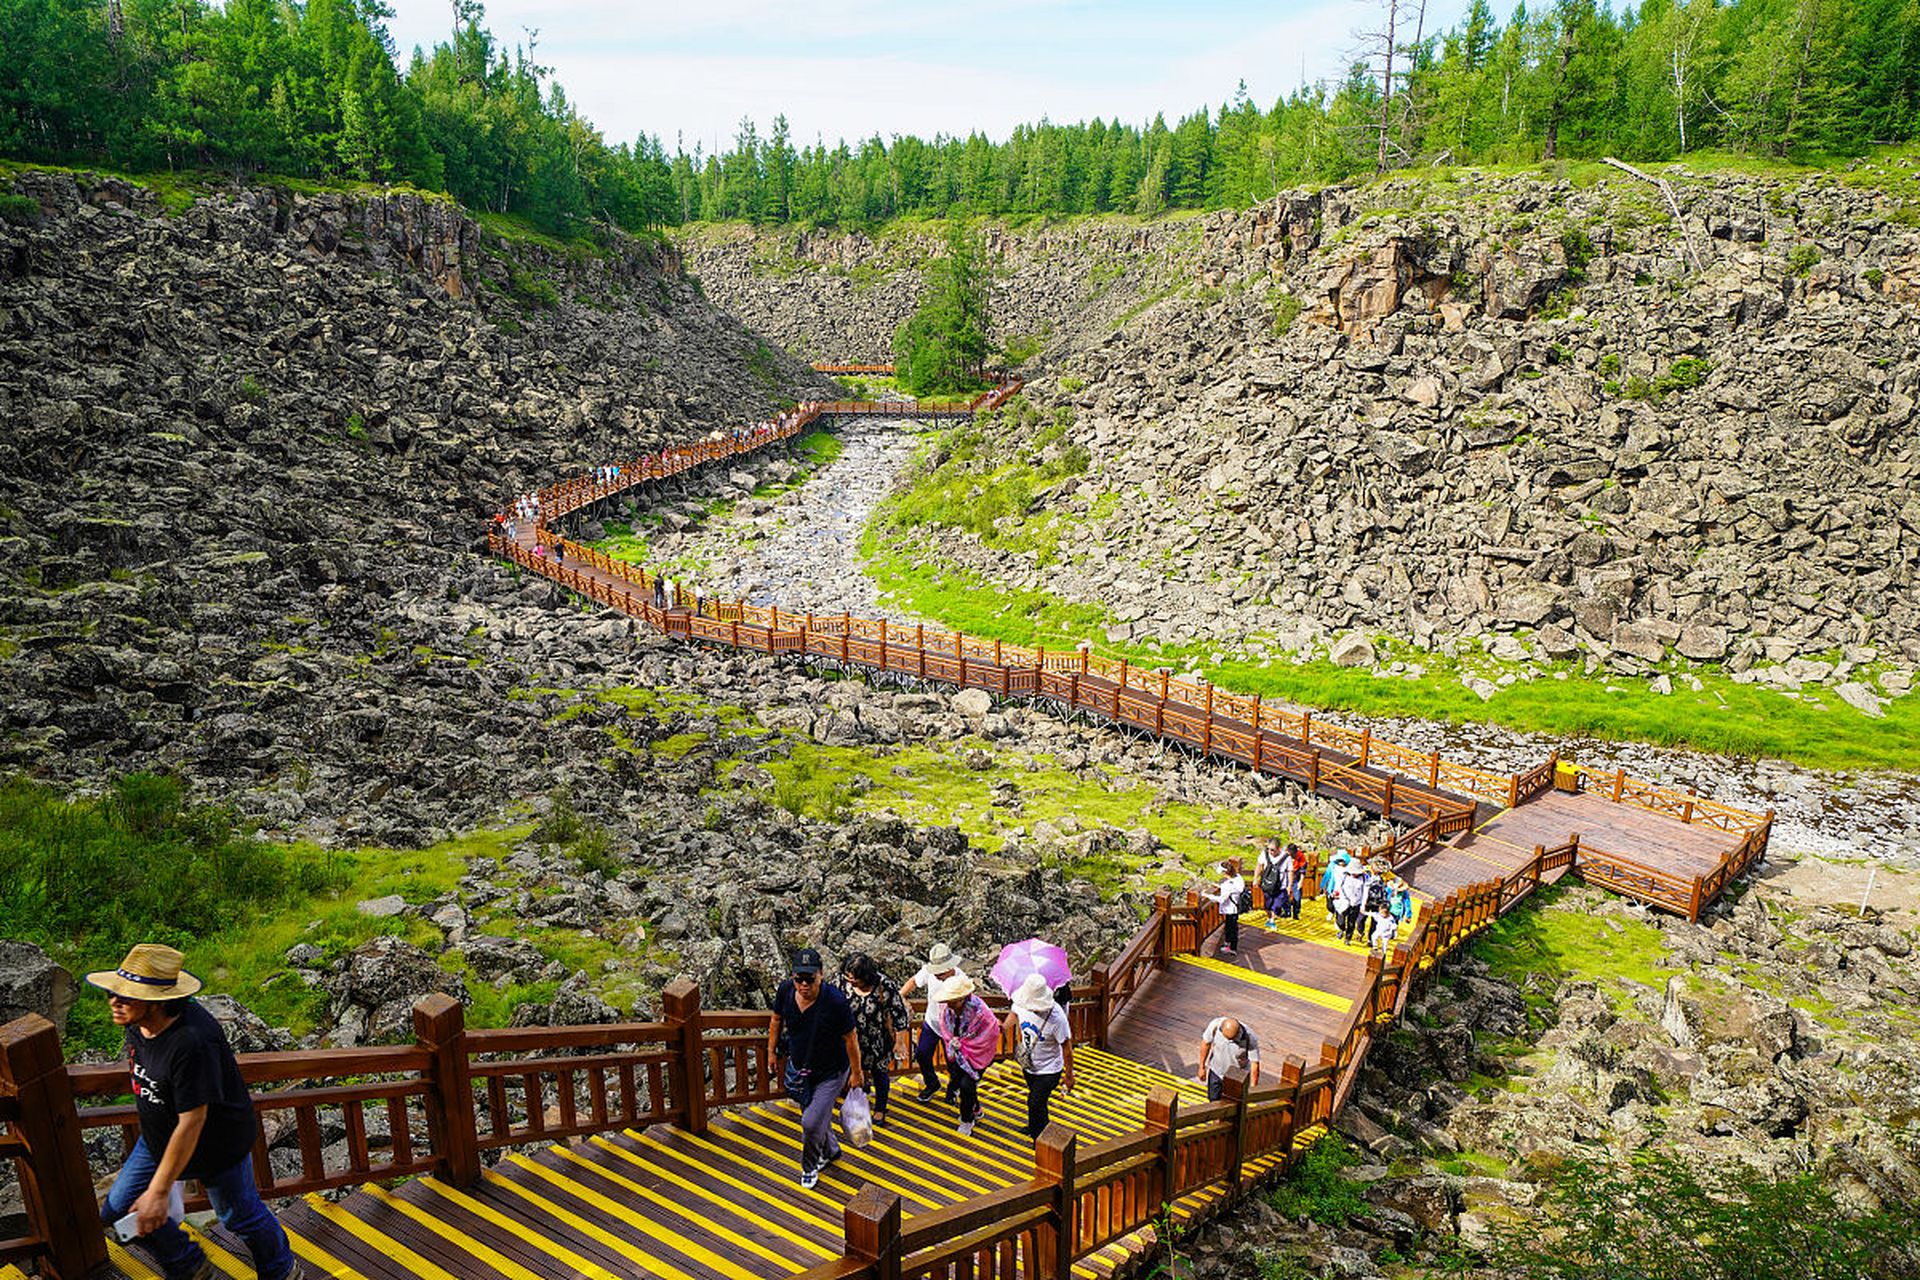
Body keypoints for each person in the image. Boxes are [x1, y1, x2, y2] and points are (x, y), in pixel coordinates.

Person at [88, 945, 304, 1280]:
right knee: (118, 1208)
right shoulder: (136, 1022)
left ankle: (282, 1270)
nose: (114, 1001)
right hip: (159, 1137)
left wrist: (159, 1191)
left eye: (126, 996)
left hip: (216, 1144)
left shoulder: (192, 1041)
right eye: (112, 993)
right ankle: (188, 1264)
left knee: (240, 1217)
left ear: (157, 1001)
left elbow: (193, 1121)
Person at [766, 948, 865, 1190]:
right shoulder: (786, 991)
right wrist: (771, 1051)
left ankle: (809, 1166)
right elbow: (776, 1019)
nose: (803, 985)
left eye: (809, 979)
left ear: (821, 975)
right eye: (798, 979)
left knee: (810, 1122)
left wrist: (857, 1073)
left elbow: (851, 1038)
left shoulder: (835, 1002)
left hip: (831, 1072)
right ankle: (831, 1151)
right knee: (816, 1115)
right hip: (801, 1069)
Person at [834, 953, 910, 1126]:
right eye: (848, 977)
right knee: (849, 1071)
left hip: (878, 1040)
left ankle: (880, 1109)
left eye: (855, 978)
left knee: (880, 1074)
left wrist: (899, 1042)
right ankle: (853, 1103)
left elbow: (900, 1014)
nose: (851, 981)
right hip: (849, 1040)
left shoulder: (885, 985)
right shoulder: (840, 982)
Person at [1003, 975, 1073, 1140]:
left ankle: (1039, 1139)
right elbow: (1014, 1013)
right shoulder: (1021, 1003)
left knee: (1035, 1102)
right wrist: (1004, 1027)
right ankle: (1035, 1126)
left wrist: (1069, 1075)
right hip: (1029, 1064)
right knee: (1037, 1103)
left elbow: (1067, 1048)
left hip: (1050, 1069)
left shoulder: (1057, 1017)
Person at [931, 974, 999, 1137]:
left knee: (966, 1085)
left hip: (977, 1053)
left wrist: (966, 1043)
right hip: (957, 1051)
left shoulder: (980, 1011)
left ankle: (966, 1119)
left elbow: (990, 1030)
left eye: (954, 1001)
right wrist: (953, 1043)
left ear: (962, 998)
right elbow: (945, 1028)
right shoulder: (946, 1009)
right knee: (960, 1081)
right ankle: (976, 1108)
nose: (950, 1004)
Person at [900, 942, 966, 1103]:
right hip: (932, 1023)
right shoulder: (928, 972)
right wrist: (900, 996)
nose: (937, 975)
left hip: (952, 1028)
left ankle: (953, 1089)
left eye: (940, 972)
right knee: (922, 1054)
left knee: (953, 1062)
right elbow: (913, 981)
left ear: (950, 967)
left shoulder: (961, 979)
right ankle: (932, 1083)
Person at [1196, 1016, 1261, 1102]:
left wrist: (1253, 1088)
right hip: (1216, 1071)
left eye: (1232, 1039)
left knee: (1232, 1103)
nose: (1230, 1042)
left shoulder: (1250, 1037)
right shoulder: (1215, 1026)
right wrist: (1202, 1067)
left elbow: (1254, 1063)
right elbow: (1206, 1044)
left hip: (1237, 1076)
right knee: (1213, 1099)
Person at [1205, 858, 1247, 957]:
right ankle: (1230, 945)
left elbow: (1221, 899)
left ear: (1226, 872)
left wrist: (1208, 896)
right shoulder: (1238, 878)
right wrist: (1220, 886)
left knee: (1230, 928)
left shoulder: (1228, 885)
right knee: (1232, 927)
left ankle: (1231, 948)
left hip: (1230, 908)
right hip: (1236, 907)